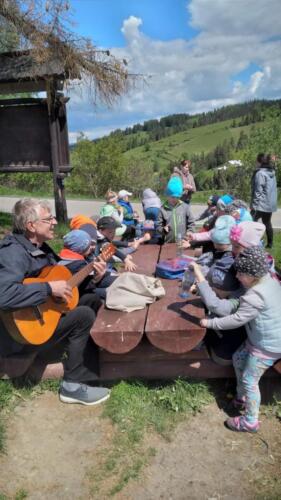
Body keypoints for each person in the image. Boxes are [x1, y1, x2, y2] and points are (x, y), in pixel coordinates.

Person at [0, 199, 110, 406]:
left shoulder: (41, 247)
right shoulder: (12, 252)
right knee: (83, 316)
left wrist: (92, 277)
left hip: (44, 320)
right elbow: (4, 295)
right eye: (48, 218)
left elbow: (65, 285)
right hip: (20, 335)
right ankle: (73, 386)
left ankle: (86, 357)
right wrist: (48, 289)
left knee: (91, 299)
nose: (54, 222)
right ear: (31, 226)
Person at [200, 246, 281, 433]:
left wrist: (211, 323)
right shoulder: (270, 281)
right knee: (238, 358)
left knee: (249, 380)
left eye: (241, 274)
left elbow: (236, 320)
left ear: (253, 276)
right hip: (260, 340)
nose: (237, 277)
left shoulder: (254, 296)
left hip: (267, 346)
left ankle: (250, 421)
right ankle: (241, 396)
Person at [58, 229, 117, 299]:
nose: (92, 247)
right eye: (89, 245)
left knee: (114, 281)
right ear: (81, 247)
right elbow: (86, 287)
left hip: (76, 290)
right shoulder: (78, 264)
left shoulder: (62, 258)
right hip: (77, 295)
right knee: (113, 292)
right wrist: (97, 279)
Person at [156, 176, 195, 243]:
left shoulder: (185, 207)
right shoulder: (162, 209)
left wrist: (190, 232)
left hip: (183, 242)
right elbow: (158, 226)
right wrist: (163, 230)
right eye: (172, 197)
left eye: (177, 197)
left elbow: (191, 222)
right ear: (167, 195)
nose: (174, 199)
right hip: (168, 243)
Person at [250, 153, 278, 248]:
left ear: (259, 162)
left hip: (260, 204)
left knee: (251, 221)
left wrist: (254, 205)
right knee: (267, 222)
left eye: (256, 161)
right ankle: (270, 244)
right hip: (269, 203)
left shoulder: (260, 173)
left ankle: (252, 242)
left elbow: (258, 190)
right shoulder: (271, 172)